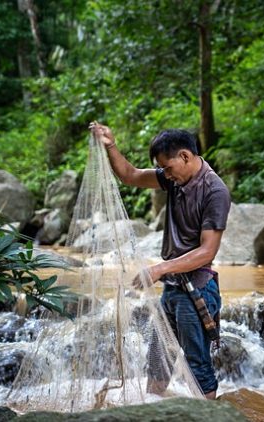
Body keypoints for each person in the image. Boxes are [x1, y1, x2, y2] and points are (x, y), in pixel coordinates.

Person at [89, 122, 230, 400]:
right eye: (163, 169)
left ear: (186, 157)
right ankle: (155, 410)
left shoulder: (215, 191)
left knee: (198, 368)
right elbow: (130, 175)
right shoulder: (175, 178)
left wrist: (159, 268)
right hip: (173, 290)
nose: (165, 175)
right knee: (156, 365)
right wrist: (111, 145)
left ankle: (209, 417)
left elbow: (207, 252)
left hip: (197, 291)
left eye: (167, 168)